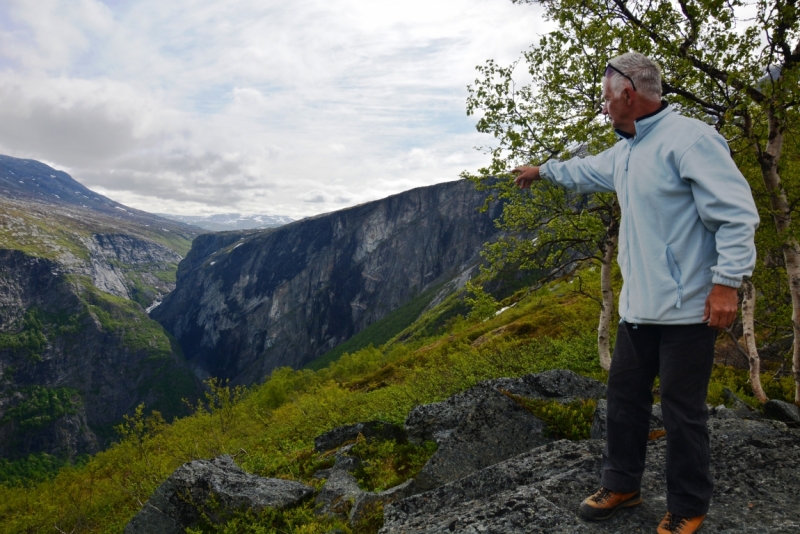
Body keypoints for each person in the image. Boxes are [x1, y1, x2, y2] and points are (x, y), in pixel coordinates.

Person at [512, 52, 759, 534]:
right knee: (624, 400)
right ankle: (622, 484)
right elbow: (584, 171)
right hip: (639, 309)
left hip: (689, 310)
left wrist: (727, 285)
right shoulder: (626, 150)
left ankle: (688, 505)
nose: (603, 106)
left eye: (606, 98)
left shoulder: (691, 140)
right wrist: (543, 170)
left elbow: (736, 215)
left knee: (681, 412)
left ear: (628, 93)